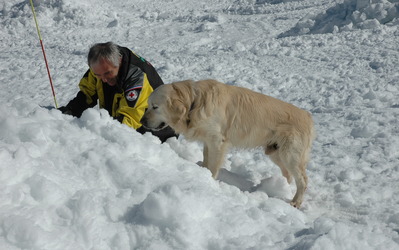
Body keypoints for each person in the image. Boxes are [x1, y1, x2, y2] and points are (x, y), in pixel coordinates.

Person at [58, 42, 177, 142]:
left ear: (119, 61)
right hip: (125, 123)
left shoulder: (137, 77)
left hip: (156, 133)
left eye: (108, 73)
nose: (104, 79)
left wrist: (105, 138)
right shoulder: (101, 66)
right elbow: (86, 95)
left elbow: (129, 120)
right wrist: (69, 112)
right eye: (98, 75)